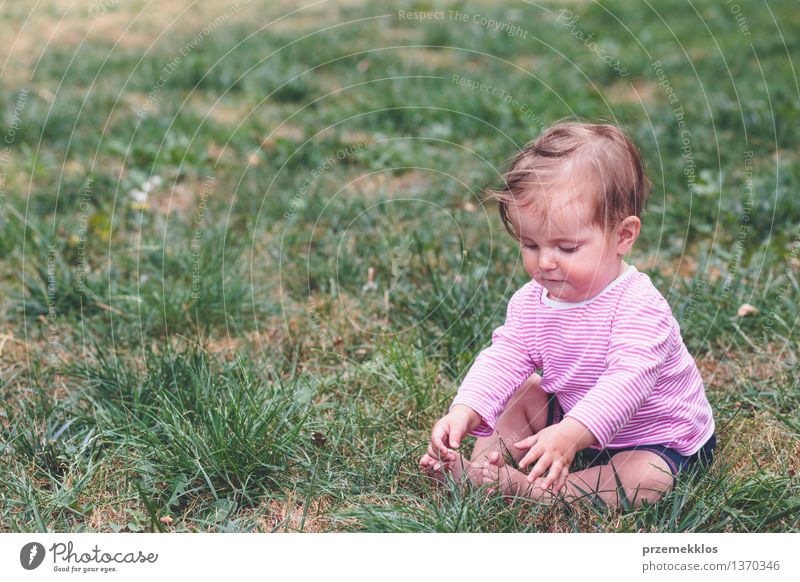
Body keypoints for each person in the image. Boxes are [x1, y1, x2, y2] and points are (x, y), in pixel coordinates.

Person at [419, 121, 716, 507]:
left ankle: (535, 491)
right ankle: (482, 470)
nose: (545, 262)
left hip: (654, 438)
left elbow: (627, 383)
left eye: (567, 247)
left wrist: (570, 435)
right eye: (529, 244)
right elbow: (504, 358)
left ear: (623, 236)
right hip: (570, 418)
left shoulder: (639, 305)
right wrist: (465, 411)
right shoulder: (532, 302)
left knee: (648, 478)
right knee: (520, 393)